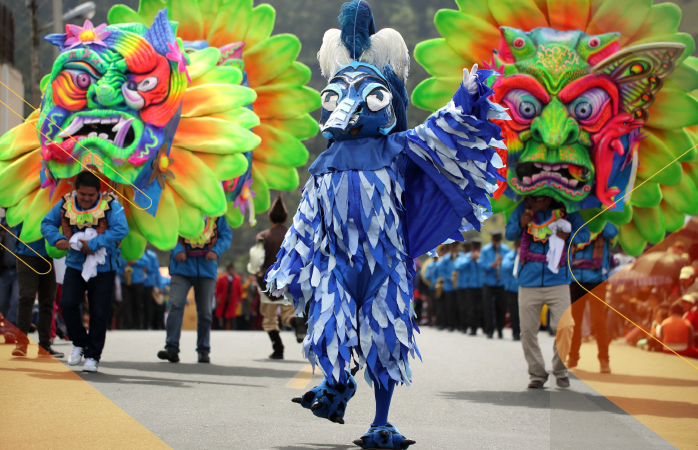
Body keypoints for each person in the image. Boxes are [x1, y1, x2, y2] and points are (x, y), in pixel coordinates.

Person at [41, 170, 129, 372]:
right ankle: (80, 342)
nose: (87, 199)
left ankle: (93, 356)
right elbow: (46, 224)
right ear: (75, 191)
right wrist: (58, 239)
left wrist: (95, 243)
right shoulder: (65, 204)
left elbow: (121, 229)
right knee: (67, 304)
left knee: (99, 312)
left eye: (91, 195)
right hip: (75, 264)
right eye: (83, 194)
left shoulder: (111, 205)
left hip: (104, 267)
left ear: (99, 192)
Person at [505, 195, 589, 389]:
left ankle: (560, 371)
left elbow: (585, 235)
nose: (533, 202)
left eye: (537, 199)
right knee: (526, 331)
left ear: (548, 199)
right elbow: (509, 234)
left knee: (565, 327)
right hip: (528, 281)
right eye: (531, 199)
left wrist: (569, 235)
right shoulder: (523, 208)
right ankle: (537, 374)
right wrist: (520, 223)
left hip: (558, 279)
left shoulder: (567, 210)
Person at [158, 215, 232, 364]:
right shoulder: (181, 208)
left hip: (206, 268)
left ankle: (203, 350)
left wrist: (216, 251)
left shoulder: (216, 213)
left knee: (205, 312)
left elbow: (226, 236)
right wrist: (177, 250)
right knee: (175, 305)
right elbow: (170, 230)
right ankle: (172, 348)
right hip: (181, 268)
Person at [248, 193, 306, 359]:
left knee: (269, 316)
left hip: (268, 281)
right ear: (286, 217)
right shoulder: (294, 234)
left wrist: (254, 271)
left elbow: (256, 257)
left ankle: (278, 347)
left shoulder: (263, 236)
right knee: (288, 312)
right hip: (289, 280)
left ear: (270, 218)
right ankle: (296, 322)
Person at [567, 222, 618, 374]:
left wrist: (601, 217)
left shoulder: (605, 222)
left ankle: (604, 360)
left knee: (598, 320)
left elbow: (612, 232)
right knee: (574, 320)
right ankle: (573, 356)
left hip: (597, 278)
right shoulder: (577, 220)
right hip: (576, 278)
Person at [11, 221, 64, 358]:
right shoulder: (25, 199)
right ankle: (21, 344)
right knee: (27, 297)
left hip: (49, 255)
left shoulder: (54, 201)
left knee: (47, 300)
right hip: (26, 254)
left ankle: (45, 346)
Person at [478, 231, 511, 339]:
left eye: (498, 241)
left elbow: (509, 263)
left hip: (501, 282)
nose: (496, 243)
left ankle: (500, 329)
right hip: (488, 282)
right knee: (488, 307)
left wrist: (503, 262)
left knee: (501, 307)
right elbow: (481, 264)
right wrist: (491, 265)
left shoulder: (505, 250)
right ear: (492, 240)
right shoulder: (485, 250)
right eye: (495, 240)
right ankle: (489, 330)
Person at [455, 238, 484, 335]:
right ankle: (472, 327)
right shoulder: (466, 257)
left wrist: (479, 259)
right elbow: (458, 267)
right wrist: (470, 259)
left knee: (480, 308)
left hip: (480, 285)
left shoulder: (482, 256)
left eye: (477, 247)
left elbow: (486, 266)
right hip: (469, 286)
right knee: (470, 308)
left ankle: (481, 326)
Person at [0, 211, 19, 343]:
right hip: (3, 270)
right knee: (3, 302)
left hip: (19, 271)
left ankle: (10, 330)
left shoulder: (21, 224)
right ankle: (8, 329)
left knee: (16, 300)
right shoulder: (2, 226)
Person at [433, 243, 460, 331]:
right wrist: (450, 278)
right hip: (448, 286)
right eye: (453, 247)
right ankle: (450, 324)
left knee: (459, 306)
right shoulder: (445, 259)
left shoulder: (462, 257)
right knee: (449, 306)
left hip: (461, 285)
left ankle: (459, 324)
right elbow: (441, 272)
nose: (454, 248)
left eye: (456, 247)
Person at [117, 254, 148, 329]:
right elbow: (116, 265)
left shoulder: (139, 253)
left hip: (138, 281)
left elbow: (146, 264)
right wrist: (121, 273)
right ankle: (127, 324)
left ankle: (139, 324)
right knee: (126, 303)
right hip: (125, 282)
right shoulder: (121, 253)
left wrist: (135, 262)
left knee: (138, 303)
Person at [500, 239, 520, 341]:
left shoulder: (527, 254)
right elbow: (505, 266)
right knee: (514, 312)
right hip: (511, 289)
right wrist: (516, 259)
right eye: (517, 244)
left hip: (523, 288)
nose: (518, 246)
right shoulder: (509, 255)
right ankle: (515, 333)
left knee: (524, 312)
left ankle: (524, 333)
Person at [215, 263, 243, 330]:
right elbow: (217, 289)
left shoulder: (237, 279)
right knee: (223, 314)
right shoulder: (222, 278)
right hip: (223, 300)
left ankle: (233, 329)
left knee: (232, 315)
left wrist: (239, 300)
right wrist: (218, 298)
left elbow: (240, 291)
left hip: (232, 300)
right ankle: (222, 328)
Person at [453, 242, 471, 332]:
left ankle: (471, 326)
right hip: (461, 285)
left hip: (470, 285)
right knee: (462, 307)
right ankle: (463, 326)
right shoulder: (461, 258)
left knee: (470, 307)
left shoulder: (474, 256)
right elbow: (457, 267)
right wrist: (469, 259)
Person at [142, 249, 161, 330]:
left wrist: (159, 285)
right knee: (140, 305)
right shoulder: (135, 253)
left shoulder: (152, 255)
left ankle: (149, 324)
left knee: (150, 305)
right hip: (138, 282)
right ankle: (141, 323)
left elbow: (156, 270)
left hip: (149, 283)